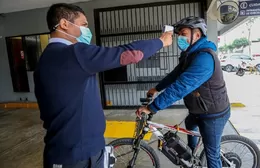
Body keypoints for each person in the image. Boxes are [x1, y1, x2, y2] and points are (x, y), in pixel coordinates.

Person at [34, 3, 172, 168]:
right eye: (84, 25)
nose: (87, 30)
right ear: (64, 24)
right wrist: (160, 42)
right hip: (77, 156)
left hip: (69, 149)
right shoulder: (73, 53)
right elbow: (127, 54)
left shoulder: (47, 58)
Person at [136, 16, 231, 168]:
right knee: (190, 125)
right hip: (198, 109)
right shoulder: (189, 55)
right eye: (179, 34)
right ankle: (192, 158)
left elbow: (181, 87)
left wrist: (151, 107)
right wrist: (157, 88)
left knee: (211, 154)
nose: (180, 37)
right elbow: (175, 75)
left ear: (197, 35)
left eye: (184, 33)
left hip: (213, 114)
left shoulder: (205, 58)